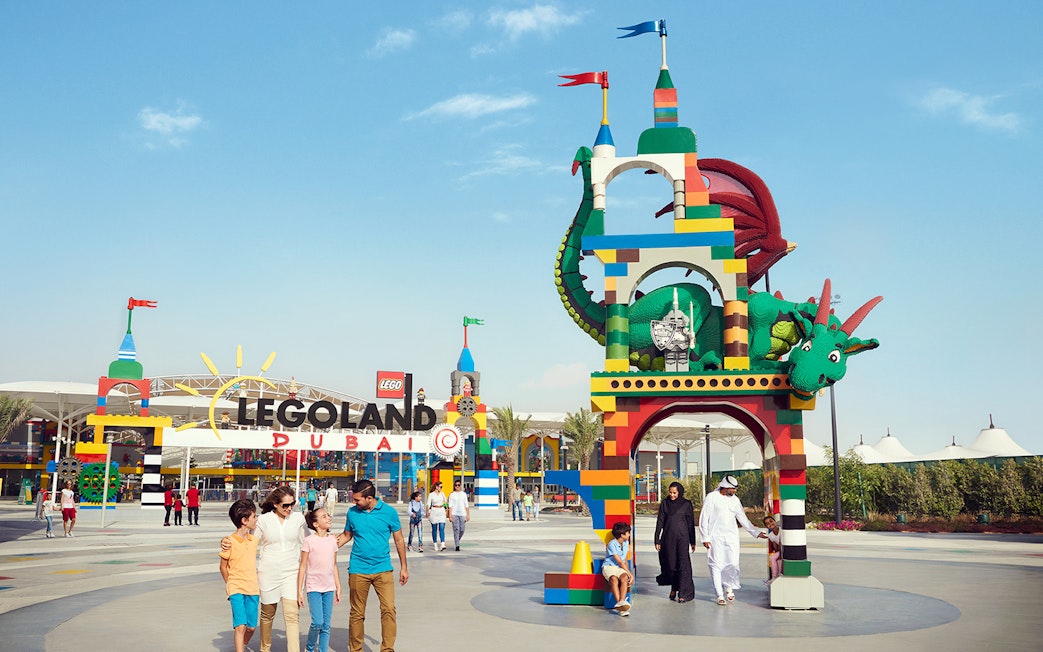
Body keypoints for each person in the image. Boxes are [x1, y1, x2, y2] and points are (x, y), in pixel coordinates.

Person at [224, 485, 306, 652]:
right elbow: (247, 540)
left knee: (292, 616)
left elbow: (309, 542)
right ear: (275, 504)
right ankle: (264, 648)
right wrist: (226, 541)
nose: (289, 508)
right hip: (268, 573)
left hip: (291, 572)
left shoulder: (299, 518)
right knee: (267, 615)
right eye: (285, 505)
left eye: (292, 504)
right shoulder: (264, 520)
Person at [336, 479, 408, 652]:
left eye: (357, 499)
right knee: (357, 613)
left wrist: (404, 567)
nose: (354, 502)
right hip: (358, 569)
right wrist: (325, 544)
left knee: (389, 609)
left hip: (383, 569)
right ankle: (356, 649)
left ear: (369, 498)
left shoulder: (389, 513)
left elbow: (399, 540)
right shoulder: (352, 513)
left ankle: (387, 649)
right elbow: (347, 535)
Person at [699, 475, 767, 605]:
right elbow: (704, 518)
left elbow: (742, 518)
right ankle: (719, 594)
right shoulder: (711, 497)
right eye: (733, 489)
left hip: (731, 537)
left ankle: (729, 588)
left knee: (732, 563)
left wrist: (756, 533)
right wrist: (705, 537)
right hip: (715, 537)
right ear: (725, 487)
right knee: (716, 564)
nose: (735, 491)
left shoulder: (735, 500)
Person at [297, 508, 341, 652]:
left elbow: (334, 565)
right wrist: (299, 591)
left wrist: (338, 586)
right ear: (315, 524)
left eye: (328, 515)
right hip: (313, 587)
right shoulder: (309, 541)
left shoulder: (333, 540)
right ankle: (309, 647)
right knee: (317, 622)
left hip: (329, 587)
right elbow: (303, 566)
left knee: (326, 625)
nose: (328, 518)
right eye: (324, 516)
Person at [220, 499, 260, 652]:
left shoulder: (254, 540)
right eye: (254, 516)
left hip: (252, 588)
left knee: (251, 627)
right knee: (240, 626)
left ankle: (242, 645)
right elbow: (223, 567)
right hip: (236, 588)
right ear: (244, 520)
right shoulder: (230, 541)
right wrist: (230, 584)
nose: (256, 519)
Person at [654, 481, 696, 603]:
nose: (672, 495)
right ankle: (674, 587)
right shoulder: (665, 504)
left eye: (674, 493)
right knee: (671, 565)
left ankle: (684, 593)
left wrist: (692, 541)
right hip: (668, 539)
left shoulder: (686, 504)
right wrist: (657, 539)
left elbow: (690, 524)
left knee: (683, 565)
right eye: (670, 492)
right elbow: (660, 522)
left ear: (680, 492)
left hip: (683, 539)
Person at [602, 521, 633, 616]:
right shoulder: (612, 544)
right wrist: (631, 574)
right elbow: (619, 561)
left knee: (624, 577)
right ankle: (621, 607)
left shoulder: (626, 543)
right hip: (609, 567)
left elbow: (625, 560)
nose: (629, 534)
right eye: (628, 533)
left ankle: (621, 602)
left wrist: (628, 574)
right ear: (622, 534)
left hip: (620, 568)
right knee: (613, 579)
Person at [447, 480, 470, 551]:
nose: (457, 486)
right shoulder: (452, 494)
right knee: (456, 529)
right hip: (454, 514)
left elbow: (466, 505)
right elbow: (450, 506)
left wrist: (468, 514)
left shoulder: (463, 494)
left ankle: (457, 540)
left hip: (462, 513)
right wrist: (450, 516)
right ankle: (457, 545)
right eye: (456, 485)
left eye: (458, 485)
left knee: (462, 529)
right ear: (454, 486)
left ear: (460, 486)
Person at [426, 481, 447, 551]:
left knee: (442, 527)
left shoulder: (442, 494)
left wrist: (447, 510)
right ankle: (435, 543)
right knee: (434, 529)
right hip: (434, 511)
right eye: (440, 487)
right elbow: (428, 504)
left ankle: (442, 543)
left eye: (442, 487)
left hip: (441, 510)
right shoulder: (431, 495)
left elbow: (446, 502)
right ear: (436, 487)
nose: (441, 488)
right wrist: (427, 511)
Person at [763, 515, 782, 583]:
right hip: (781, 551)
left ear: (775, 521)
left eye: (771, 521)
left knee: (773, 558)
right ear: (766, 527)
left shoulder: (781, 530)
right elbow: (776, 548)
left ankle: (775, 576)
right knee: (772, 558)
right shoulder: (771, 535)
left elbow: (781, 544)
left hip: (787, 550)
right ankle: (774, 576)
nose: (770, 524)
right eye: (768, 524)